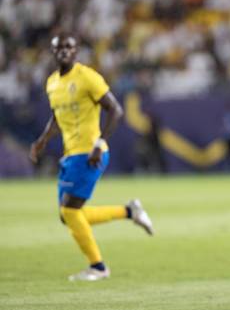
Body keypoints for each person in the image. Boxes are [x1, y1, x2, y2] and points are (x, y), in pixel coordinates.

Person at [30, 33, 154, 282]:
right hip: (70, 154)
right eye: (59, 48)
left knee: (70, 211)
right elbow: (57, 116)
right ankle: (129, 211)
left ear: (76, 51)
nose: (64, 51)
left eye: (69, 47)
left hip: (89, 154)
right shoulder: (52, 83)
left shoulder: (87, 77)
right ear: (52, 53)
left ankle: (98, 267)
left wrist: (100, 143)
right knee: (68, 214)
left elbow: (115, 110)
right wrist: (43, 140)